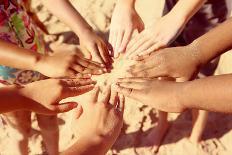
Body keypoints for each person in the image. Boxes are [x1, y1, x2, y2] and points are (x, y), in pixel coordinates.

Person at [111, 0, 227, 152]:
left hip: (211, 12)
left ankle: (195, 135)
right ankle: (162, 123)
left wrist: (179, 15)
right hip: (172, 7)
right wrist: (125, 5)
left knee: (203, 78)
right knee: (164, 65)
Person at [0, 0, 108, 154]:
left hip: (41, 65)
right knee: (20, 132)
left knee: (50, 122)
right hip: (6, 84)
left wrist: (84, 30)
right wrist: (40, 61)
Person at [0, 80, 124, 155]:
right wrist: (96, 138)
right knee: (19, 133)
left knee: (49, 125)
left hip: (32, 80)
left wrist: (24, 95)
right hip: (7, 82)